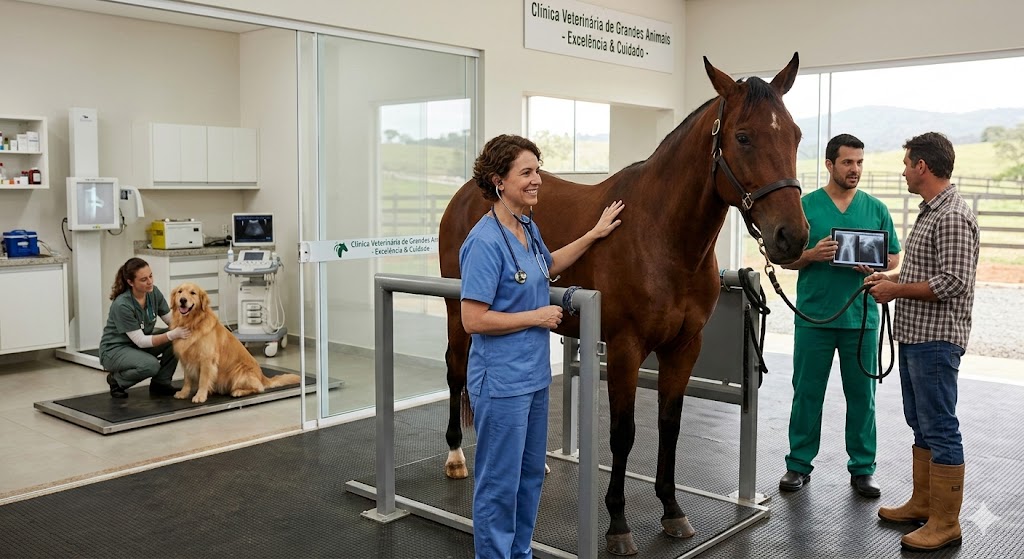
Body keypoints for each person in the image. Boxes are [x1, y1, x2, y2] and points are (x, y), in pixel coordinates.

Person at [459, 134, 624, 558]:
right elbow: (473, 320)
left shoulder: (527, 227)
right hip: (501, 382)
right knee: (499, 483)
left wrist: (594, 234)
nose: (537, 180)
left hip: (533, 377)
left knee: (530, 475)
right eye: (526, 173)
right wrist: (536, 316)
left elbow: (548, 265)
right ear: (499, 181)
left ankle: (520, 554)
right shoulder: (484, 241)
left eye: (538, 171)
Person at [865, 132, 978, 552]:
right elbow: (925, 270)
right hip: (916, 337)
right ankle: (925, 504)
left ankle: (946, 523)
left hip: (936, 340)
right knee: (921, 421)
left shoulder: (951, 216)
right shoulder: (932, 212)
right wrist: (890, 277)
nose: (904, 172)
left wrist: (895, 291)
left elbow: (953, 281)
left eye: (907, 164)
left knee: (940, 426)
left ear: (922, 167)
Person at [778, 134, 901, 498]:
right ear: (829, 165)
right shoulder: (805, 206)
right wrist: (811, 255)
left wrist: (877, 263)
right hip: (814, 318)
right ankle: (798, 464)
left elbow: (894, 256)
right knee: (807, 394)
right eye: (848, 162)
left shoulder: (876, 209)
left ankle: (863, 469)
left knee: (863, 397)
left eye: (859, 162)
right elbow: (784, 259)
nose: (855, 169)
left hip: (861, 320)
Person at [99, 257, 191, 398]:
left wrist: (194, 327)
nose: (150, 282)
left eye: (151, 276)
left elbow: (171, 321)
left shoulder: (153, 293)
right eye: (143, 279)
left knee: (176, 338)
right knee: (151, 365)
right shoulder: (122, 305)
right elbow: (141, 341)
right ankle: (117, 381)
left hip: (137, 346)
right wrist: (173, 334)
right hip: (115, 350)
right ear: (130, 282)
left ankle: (161, 383)